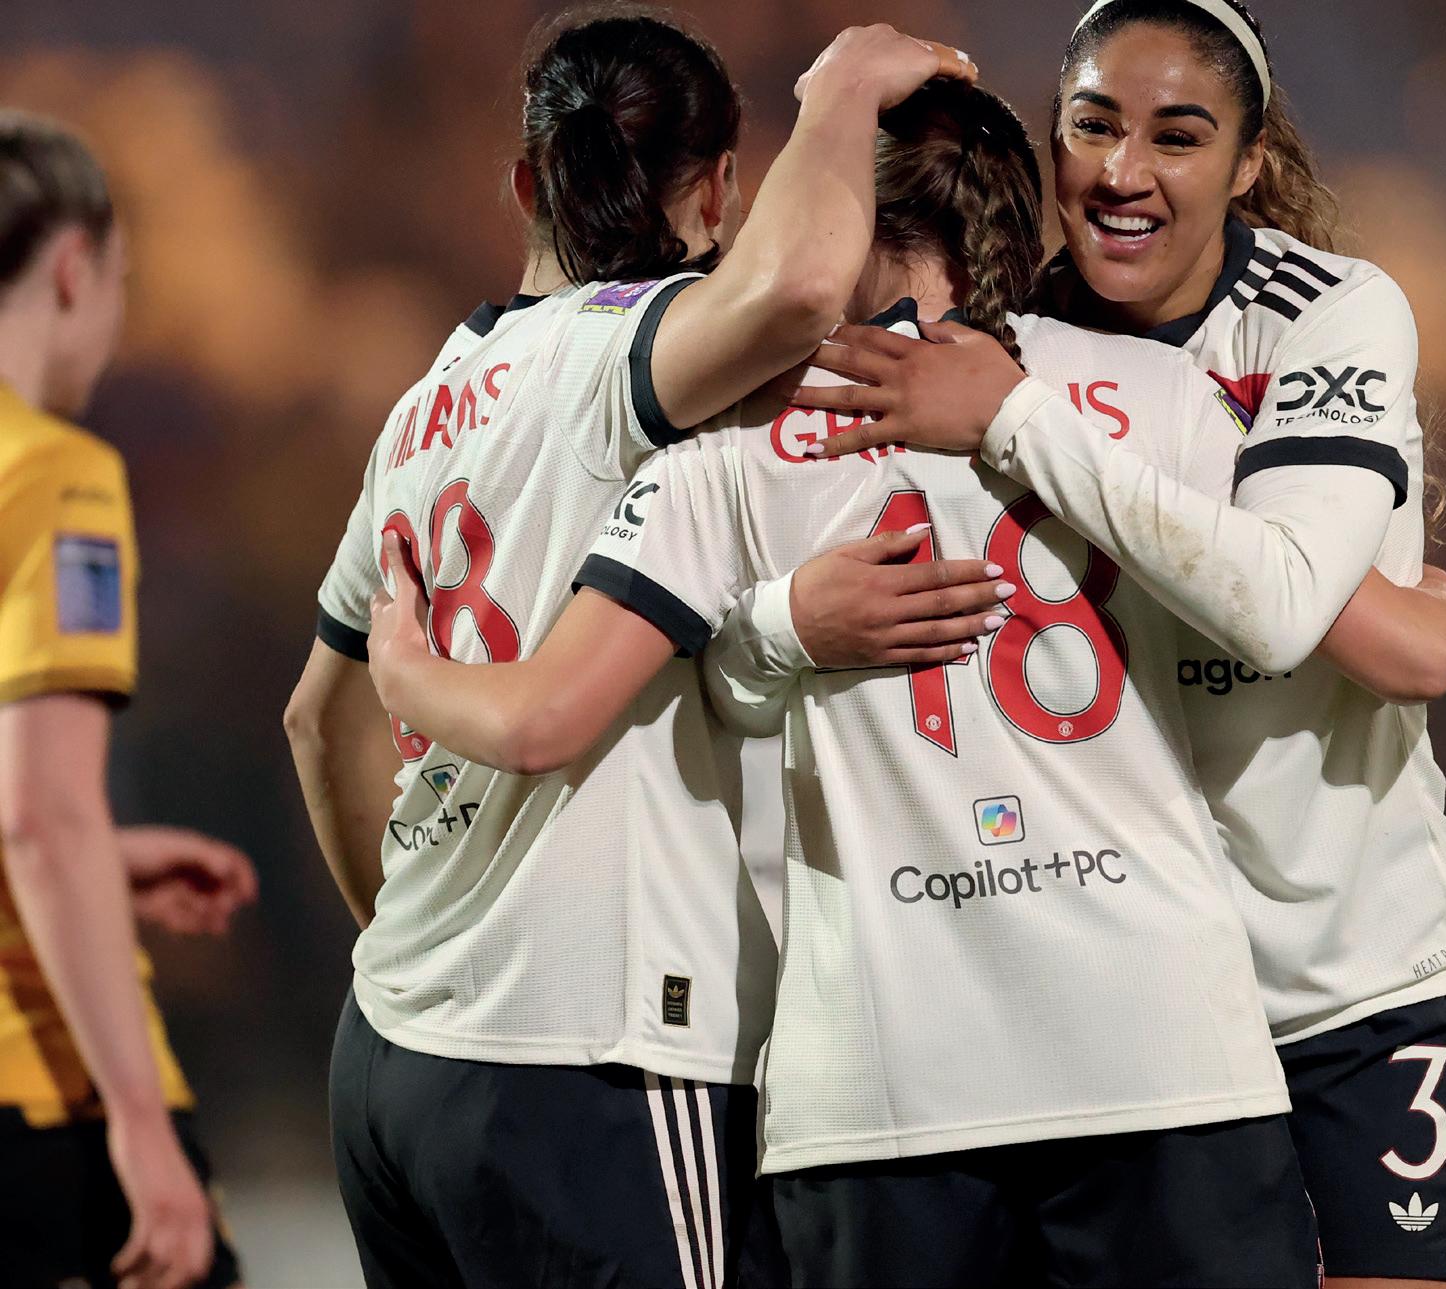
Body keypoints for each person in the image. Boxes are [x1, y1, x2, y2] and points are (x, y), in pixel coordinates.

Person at [362, 71, 1446, 1288]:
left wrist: (776, 626)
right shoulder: (1162, 394)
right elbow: (1287, 591)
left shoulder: (728, 440)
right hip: (1162, 1064)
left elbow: (699, 707)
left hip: (881, 1092)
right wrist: (1427, 605)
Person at [282, 13, 995, 1287]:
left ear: (525, 182)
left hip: (388, 1053)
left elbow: (315, 719)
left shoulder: (426, 402)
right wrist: (838, 92)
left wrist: (426, 944)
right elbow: (792, 289)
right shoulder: (627, 352)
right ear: (717, 187)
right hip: (579, 1056)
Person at [785, 2, 1446, 1283]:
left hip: (1350, 976)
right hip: (1128, 1015)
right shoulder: (1001, 331)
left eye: (1177, 135)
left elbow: (1296, 611)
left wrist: (1018, 422)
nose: (1123, 172)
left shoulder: (1322, 314)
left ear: (1249, 161)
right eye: (1092, 125)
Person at [0, 112, 256, 1289]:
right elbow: (39, 815)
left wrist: (103, 857)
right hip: (39, 1096)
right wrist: (140, 1124)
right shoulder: (56, 477)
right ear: (72, 268)